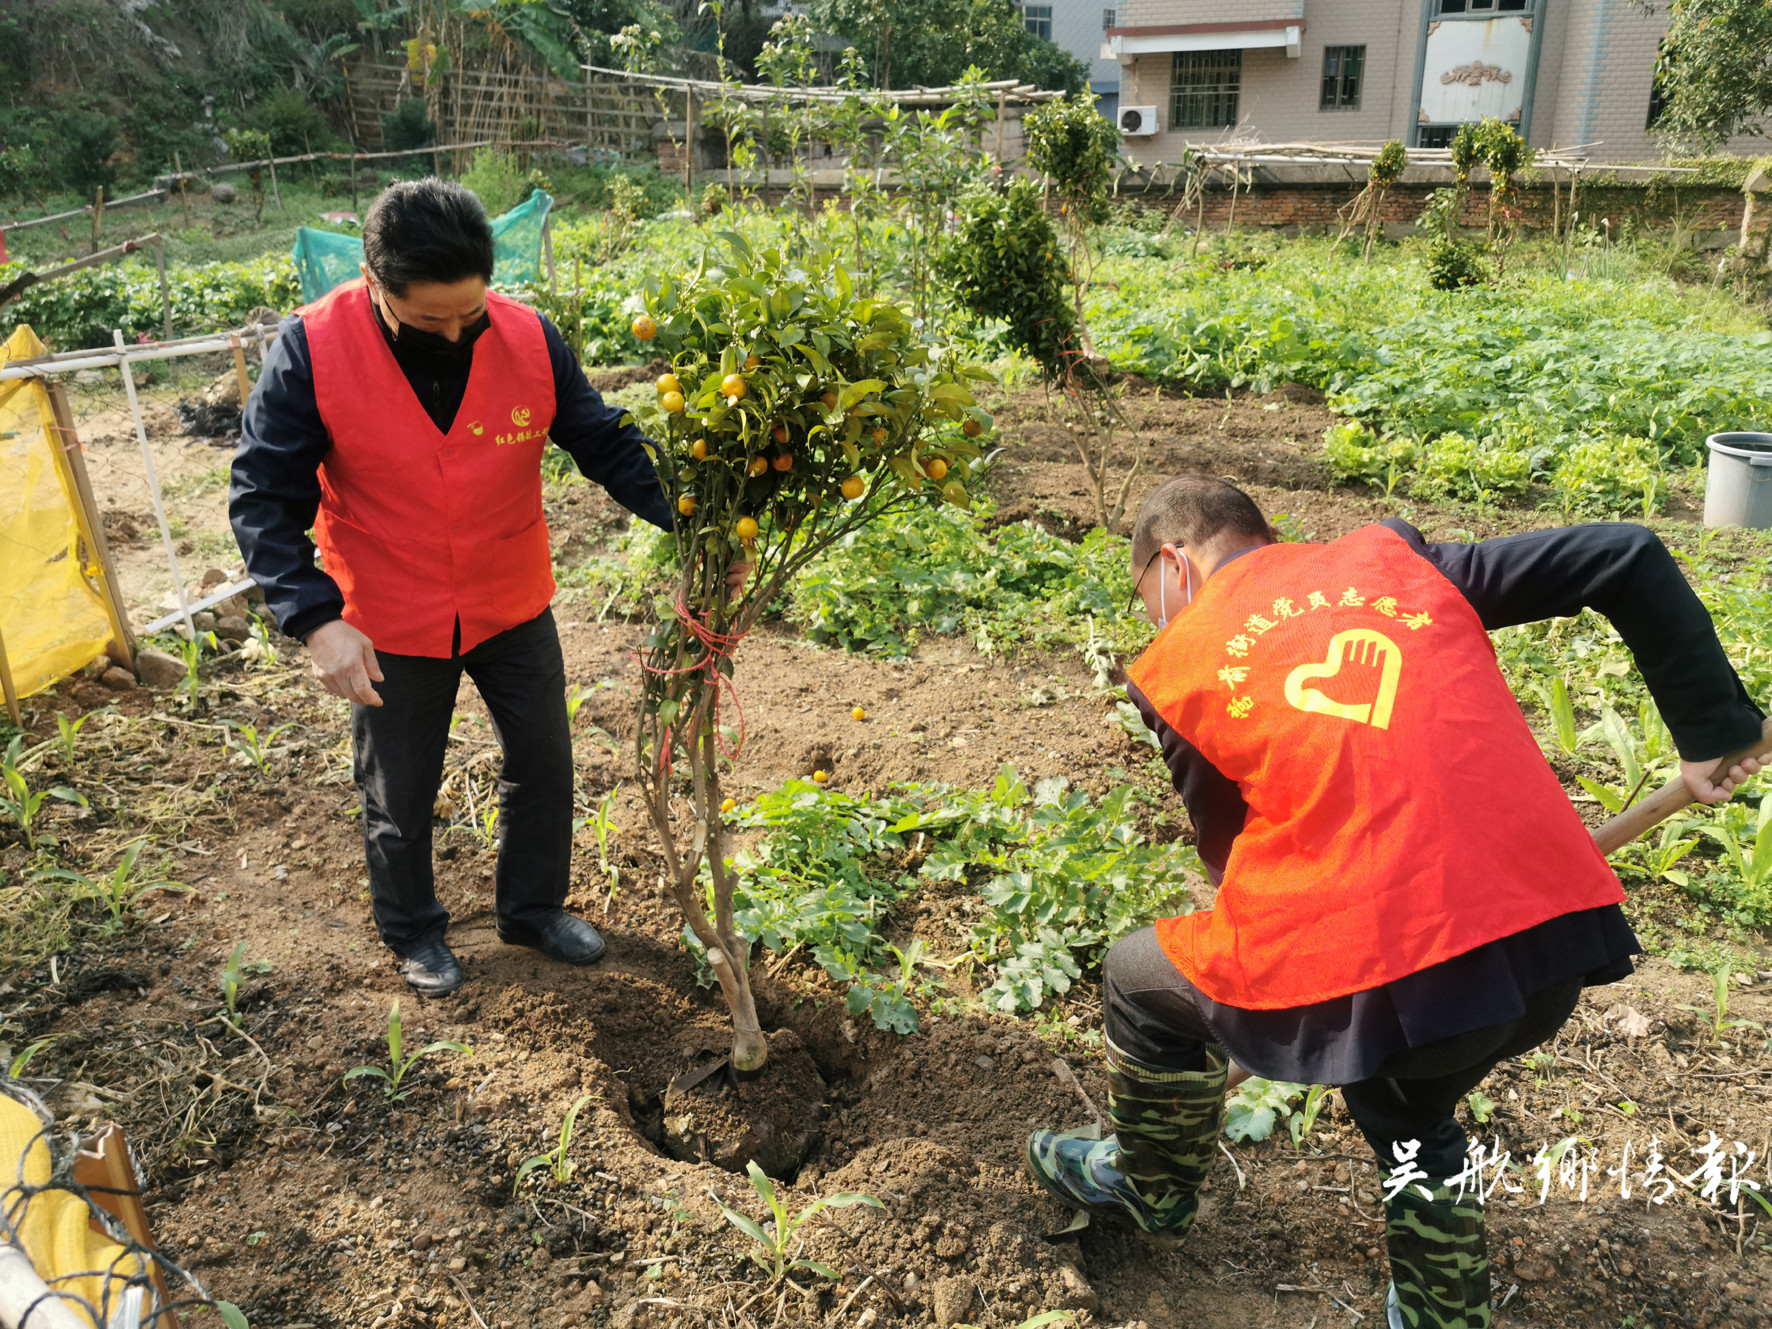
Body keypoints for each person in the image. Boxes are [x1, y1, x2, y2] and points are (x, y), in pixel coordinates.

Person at [1025, 477, 1766, 1329]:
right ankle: (1439, 1312)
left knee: (1135, 972)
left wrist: (1269, 1014)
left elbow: (1235, 860)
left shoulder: (1178, 666)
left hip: (1403, 963)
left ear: (1172, 563)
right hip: (1550, 942)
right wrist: (1716, 730)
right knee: (1403, 1097)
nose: (1153, 618)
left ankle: (1149, 1185)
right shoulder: (1394, 558)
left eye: (1145, 597)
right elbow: (1623, 554)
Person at [230, 179, 676, 998]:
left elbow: (604, 443)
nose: (455, 331)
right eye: (430, 317)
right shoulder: (312, 350)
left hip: (508, 594)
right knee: (400, 787)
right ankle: (414, 930)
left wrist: (695, 518)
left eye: (467, 312)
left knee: (543, 761)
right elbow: (262, 496)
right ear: (374, 282)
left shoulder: (528, 338)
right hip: (388, 610)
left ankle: (532, 909)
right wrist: (314, 619)